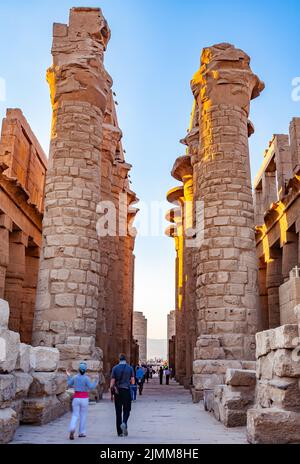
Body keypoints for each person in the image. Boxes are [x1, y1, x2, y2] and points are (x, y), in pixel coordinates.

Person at [66, 361, 98, 440]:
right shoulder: (86, 378)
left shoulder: (75, 377)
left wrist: (68, 376)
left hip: (76, 398)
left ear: (79, 369)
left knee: (75, 415)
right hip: (84, 399)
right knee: (83, 415)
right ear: (85, 370)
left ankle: (72, 427)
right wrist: (96, 380)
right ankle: (81, 432)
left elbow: (69, 383)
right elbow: (91, 387)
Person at [110, 354, 135, 437]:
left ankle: (119, 432)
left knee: (118, 411)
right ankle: (124, 422)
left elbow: (112, 383)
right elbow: (133, 381)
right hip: (126, 390)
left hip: (117, 392)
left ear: (119, 360)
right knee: (127, 409)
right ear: (126, 359)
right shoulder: (130, 368)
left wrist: (111, 393)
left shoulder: (115, 368)